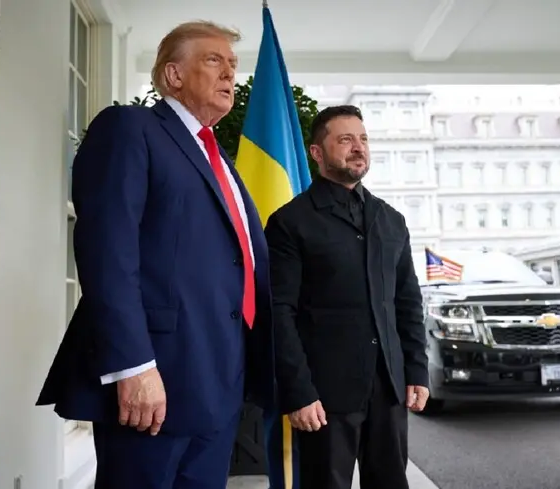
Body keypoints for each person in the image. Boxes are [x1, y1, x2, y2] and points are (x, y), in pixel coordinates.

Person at [36, 21, 275, 489]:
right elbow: (108, 251)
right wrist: (134, 366)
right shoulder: (130, 128)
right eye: (214, 60)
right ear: (173, 75)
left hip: (220, 383)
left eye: (232, 64)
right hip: (154, 381)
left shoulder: (220, 160)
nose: (230, 73)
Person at [264, 105, 430, 489]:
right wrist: (298, 391)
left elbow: (407, 303)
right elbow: (279, 312)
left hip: (389, 389)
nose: (359, 147)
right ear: (317, 152)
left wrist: (417, 371)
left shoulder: (391, 220)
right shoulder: (290, 222)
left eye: (363, 139)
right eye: (345, 140)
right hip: (323, 395)